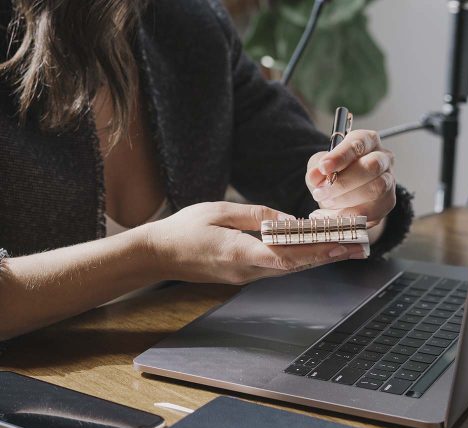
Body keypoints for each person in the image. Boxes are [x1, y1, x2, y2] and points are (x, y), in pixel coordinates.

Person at [0, 0, 413, 340]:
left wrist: (365, 202)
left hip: (169, 366)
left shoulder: (190, 24)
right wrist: (154, 254)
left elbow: (315, 185)